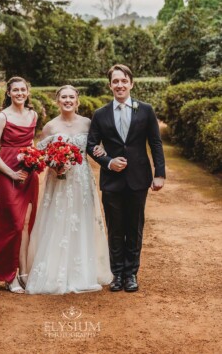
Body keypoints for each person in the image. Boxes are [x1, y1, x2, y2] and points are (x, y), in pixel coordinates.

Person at [25, 85, 112, 294]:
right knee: (58, 220)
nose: (67, 100)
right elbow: (40, 156)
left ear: (77, 100)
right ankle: (56, 273)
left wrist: (102, 150)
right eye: (63, 97)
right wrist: (53, 164)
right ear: (58, 100)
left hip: (81, 180)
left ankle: (84, 272)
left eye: (71, 97)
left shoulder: (88, 123)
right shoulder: (50, 127)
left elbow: (95, 147)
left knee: (82, 220)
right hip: (59, 182)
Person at [87, 64, 165, 293]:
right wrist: (108, 161)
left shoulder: (146, 110)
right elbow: (92, 145)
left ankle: (131, 274)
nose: (119, 85)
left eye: (124, 81)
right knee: (115, 228)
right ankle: (117, 274)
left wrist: (159, 173)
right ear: (110, 85)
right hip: (111, 181)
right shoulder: (100, 114)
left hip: (138, 179)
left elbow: (156, 143)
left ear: (131, 83)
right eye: (115, 81)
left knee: (134, 227)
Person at [0, 77, 39, 293]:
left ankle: (23, 273)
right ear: (9, 93)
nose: (20, 93)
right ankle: (8, 275)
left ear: (27, 92)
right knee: (11, 225)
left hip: (29, 175)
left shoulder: (33, 115)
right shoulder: (2, 117)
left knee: (25, 224)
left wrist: (35, 160)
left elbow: (30, 143)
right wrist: (12, 173)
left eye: (23, 89)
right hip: (8, 175)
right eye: (15, 90)